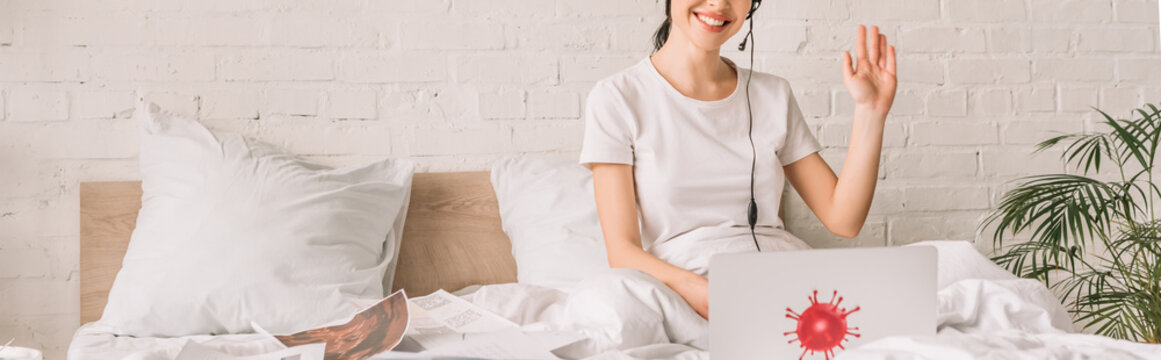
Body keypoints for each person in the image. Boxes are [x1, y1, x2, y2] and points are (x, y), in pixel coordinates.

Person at [577, 0, 898, 322]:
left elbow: (843, 220)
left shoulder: (773, 93)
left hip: (787, 278)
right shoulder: (618, 97)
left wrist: (871, 112)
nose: (719, 3)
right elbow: (622, 252)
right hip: (687, 291)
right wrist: (702, 290)